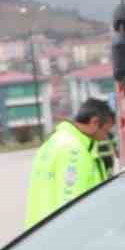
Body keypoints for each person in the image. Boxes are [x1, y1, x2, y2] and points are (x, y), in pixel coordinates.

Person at [25, 98, 114, 229]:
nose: (105, 137)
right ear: (95, 122)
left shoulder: (55, 141)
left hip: (39, 233)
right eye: (106, 131)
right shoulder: (74, 151)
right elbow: (72, 207)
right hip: (59, 236)